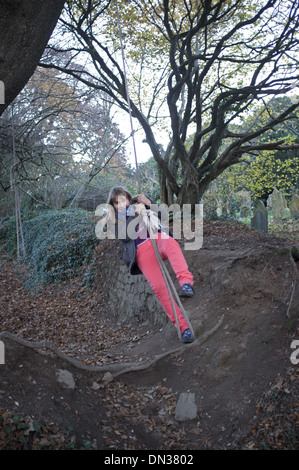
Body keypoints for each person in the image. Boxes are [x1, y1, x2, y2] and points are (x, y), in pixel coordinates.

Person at [107, 186, 195, 343]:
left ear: (128, 198)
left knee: (171, 244)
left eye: (123, 199)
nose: (120, 204)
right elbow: (126, 235)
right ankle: (183, 328)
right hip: (142, 252)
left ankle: (186, 283)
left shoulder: (141, 204)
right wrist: (136, 213)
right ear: (112, 205)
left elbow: (163, 215)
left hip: (158, 239)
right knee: (160, 289)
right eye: (116, 202)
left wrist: (148, 202)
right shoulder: (117, 220)